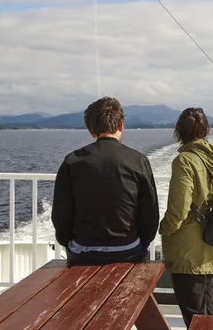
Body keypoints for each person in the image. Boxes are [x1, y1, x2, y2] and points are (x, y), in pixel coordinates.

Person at [51, 97, 159, 265]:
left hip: (83, 252)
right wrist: (141, 242)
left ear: (91, 131)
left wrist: (68, 242)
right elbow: (150, 214)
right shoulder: (138, 161)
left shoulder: (72, 161)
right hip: (128, 250)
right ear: (121, 125)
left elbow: (61, 215)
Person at [159, 107, 213, 328]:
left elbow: (178, 210)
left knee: (195, 318)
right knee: (207, 311)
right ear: (206, 130)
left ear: (179, 132)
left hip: (189, 251)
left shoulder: (184, 161)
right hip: (211, 244)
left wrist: (164, 229)